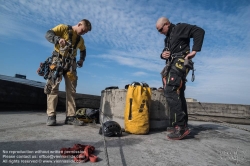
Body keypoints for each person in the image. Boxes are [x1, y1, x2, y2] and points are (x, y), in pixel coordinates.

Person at [156, 17, 205, 140]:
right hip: (172, 64)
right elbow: (167, 51)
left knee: (170, 90)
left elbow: (199, 31)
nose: (160, 32)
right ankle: (178, 124)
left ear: (167, 24)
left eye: (161, 29)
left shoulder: (179, 28)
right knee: (179, 93)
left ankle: (181, 127)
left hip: (181, 62)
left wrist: (194, 50)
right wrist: (163, 55)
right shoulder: (167, 38)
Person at [45, 19, 92, 126]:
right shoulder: (63, 28)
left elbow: (83, 50)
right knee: (53, 87)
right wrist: (58, 39)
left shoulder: (80, 40)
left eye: (85, 32)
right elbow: (48, 34)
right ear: (79, 24)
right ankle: (51, 116)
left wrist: (81, 60)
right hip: (57, 61)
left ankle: (70, 117)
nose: (83, 33)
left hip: (71, 64)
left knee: (71, 90)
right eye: (83, 30)